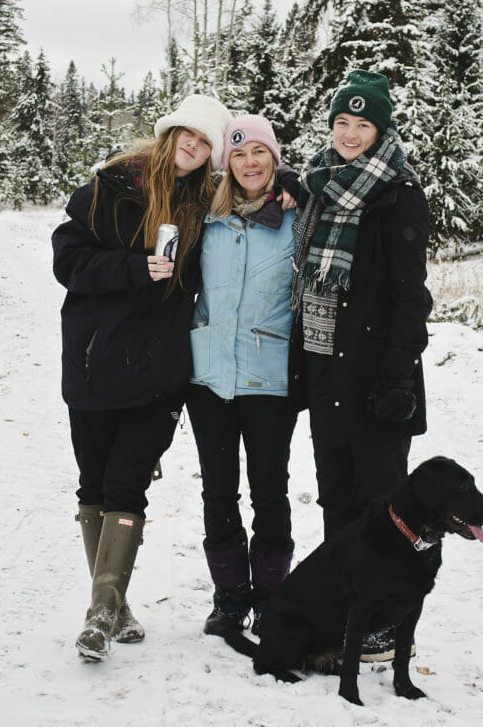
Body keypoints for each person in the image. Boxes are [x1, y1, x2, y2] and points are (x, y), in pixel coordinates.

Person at [52, 93, 232, 660]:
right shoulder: (112, 186)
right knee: (94, 484)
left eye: (205, 143)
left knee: (127, 484)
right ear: (171, 132)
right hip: (97, 361)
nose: (193, 147)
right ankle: (115, 605)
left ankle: (100, 613)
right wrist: (131, 269)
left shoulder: (209, 206)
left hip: (160, 373)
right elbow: (66, 260)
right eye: (189, 134)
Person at [289, 69, 431, 660]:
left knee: (383, 510)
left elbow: (410, 294)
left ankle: (388, 625)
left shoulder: (399, 194)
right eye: (341, 123)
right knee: (336, 500)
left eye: (362, 124)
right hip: (326, 371)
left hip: (375, 379)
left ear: (380, 130)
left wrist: (398, 372)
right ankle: (346, 613)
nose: (350, 134)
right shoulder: (318, 186)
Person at [186, 115, 297, 638]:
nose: (250, 162)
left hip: (268, 377)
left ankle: (273, 596)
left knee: (270, 490)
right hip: (208, 376)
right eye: (239, 153)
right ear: (225, 163)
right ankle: (230, 595)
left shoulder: (299, 217)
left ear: (274, 158)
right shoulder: (206, 218)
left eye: (260, 152)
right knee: (217, 490)